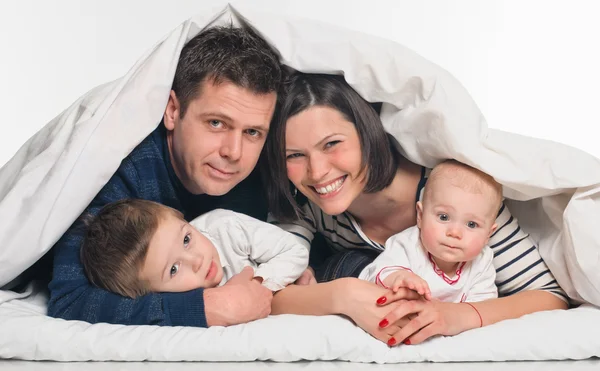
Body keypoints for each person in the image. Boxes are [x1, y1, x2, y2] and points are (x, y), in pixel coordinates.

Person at [264, 73, 568, 347]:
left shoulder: (456, 195)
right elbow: (266, 294)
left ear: (366, 134)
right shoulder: (305, 205)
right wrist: (347, 295)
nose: (317, 172)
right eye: (295, 155)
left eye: (331, 144)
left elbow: (549, 297)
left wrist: (455, 315)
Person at [47, 25, 283, 328]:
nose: (234, 152)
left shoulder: (260, 172)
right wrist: (206, 307)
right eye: (216, 123)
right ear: (172, 111)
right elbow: (70, 300)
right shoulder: (120, 171)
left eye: (252, 132)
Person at [79, 199, 308, 298]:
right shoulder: (183, 301)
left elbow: (295, 251)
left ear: (185, 221)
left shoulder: (225, 227)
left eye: (187, 239)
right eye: (173, 270)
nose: (196, 260)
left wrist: (258, 285)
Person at [359, 160, 502, 305]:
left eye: (472, 224)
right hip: (356, 269)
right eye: (443, 217)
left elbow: (482, 305)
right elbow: (377, 273)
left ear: (488, 235)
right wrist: (399, 277)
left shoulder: (482, 261)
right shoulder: (408, 245)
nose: (454, 232)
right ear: (420, 216)